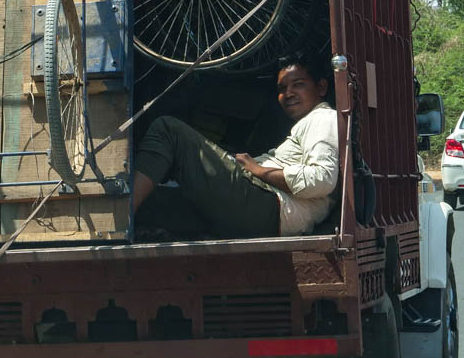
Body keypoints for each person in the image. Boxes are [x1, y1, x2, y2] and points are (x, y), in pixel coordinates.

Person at [131, 54, 340, 240]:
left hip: (272, 208)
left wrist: (260, 171)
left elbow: (321, 179)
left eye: (298, 84)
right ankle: (117, 219)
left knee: (167, 130)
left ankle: (121, 222)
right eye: (282, 88)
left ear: (321, 87)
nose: (288, 93)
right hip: (265, 213)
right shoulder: (308, 123)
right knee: (153, 202)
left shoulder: (323, 117)